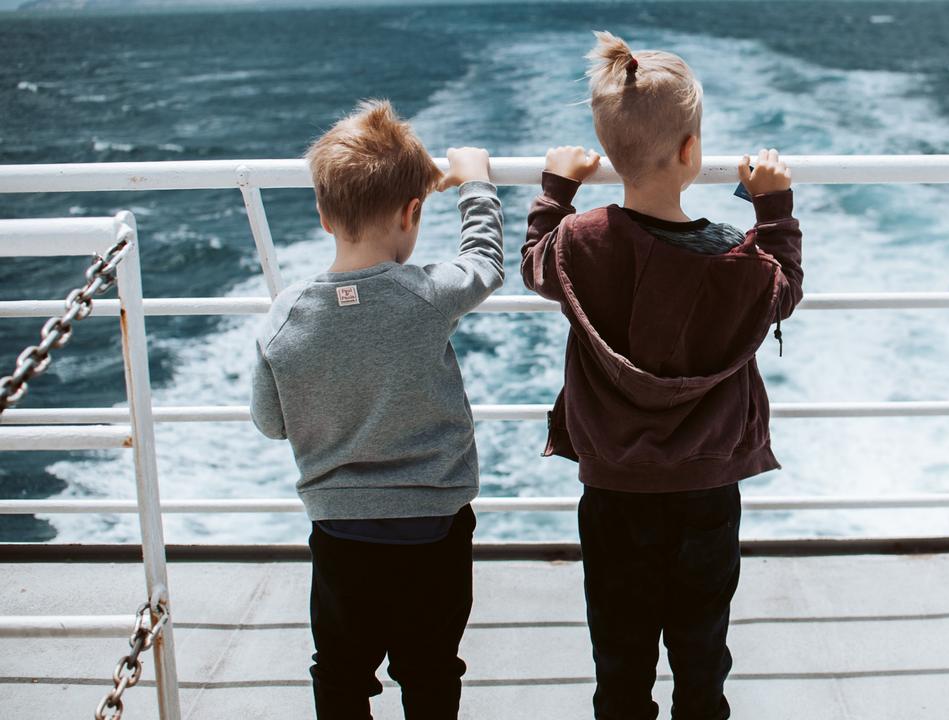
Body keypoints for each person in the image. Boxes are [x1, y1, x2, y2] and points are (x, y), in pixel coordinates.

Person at [521, 31, 803, 720]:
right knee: (702, 652)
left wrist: (556, 188)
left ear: (609, 153)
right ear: (690, 151)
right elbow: (785, 287)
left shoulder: (580, 244)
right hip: (706, 493)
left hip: (613, 490)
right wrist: (774, 208)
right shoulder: (737, 262)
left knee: (619, 657)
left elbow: (534, 261)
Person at [249, 98, 503, 720]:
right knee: (431, 668)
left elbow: (270, 422)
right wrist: (475, 181)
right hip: (435, 530)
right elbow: (487, 262)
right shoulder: (427, 295)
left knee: (339, 672)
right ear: (413, 213)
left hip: (341, 538)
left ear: (321, 213)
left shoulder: (285, 317)